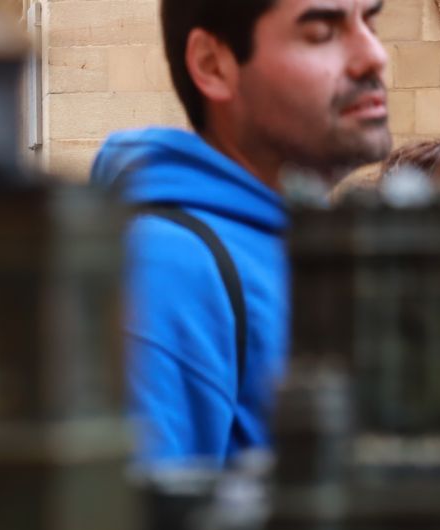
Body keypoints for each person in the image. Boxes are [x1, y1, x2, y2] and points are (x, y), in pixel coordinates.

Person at [90, 0, 391, 466]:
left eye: (369, 21)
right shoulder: (169, 264)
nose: (373, 55)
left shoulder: (305, 250)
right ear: (213, 65)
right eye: (321, 33)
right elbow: (133, 528)